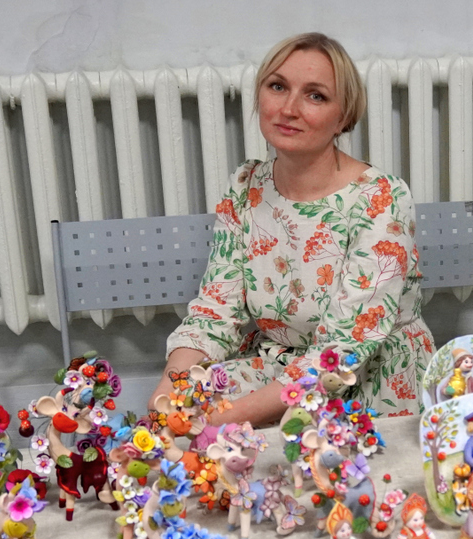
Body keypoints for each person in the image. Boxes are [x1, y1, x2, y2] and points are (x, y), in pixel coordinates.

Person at [152, 33, 434, 425]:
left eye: (315, 96)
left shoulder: (380, 198)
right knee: (185, 417)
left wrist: (222, 419)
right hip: (277, 366)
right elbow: (215, 312)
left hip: (366, 378)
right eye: (277, 86)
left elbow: (343, 350)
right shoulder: (246, 186)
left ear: (344, 117)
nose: (288, 109)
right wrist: (170, 390)